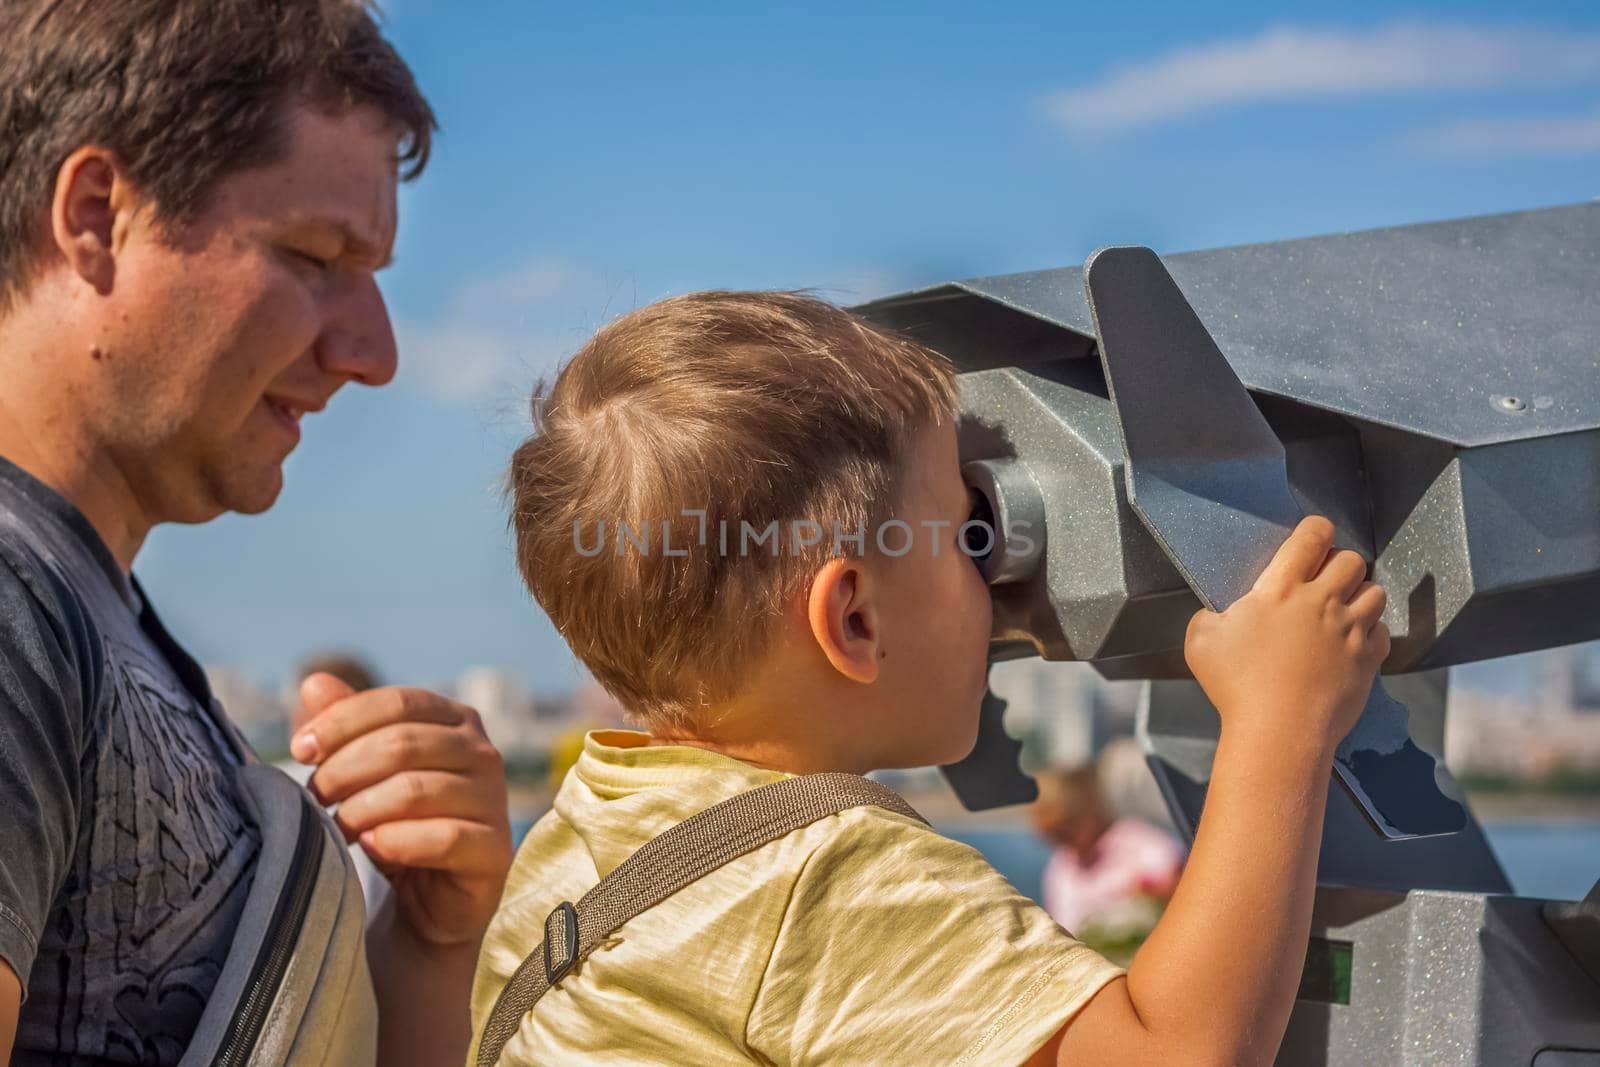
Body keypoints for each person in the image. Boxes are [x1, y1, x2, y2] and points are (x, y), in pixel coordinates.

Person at [470, 291, 1391, 1065]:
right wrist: (1281, 721)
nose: (995, 583)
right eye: (964, 532)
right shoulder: (823, 879)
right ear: (856, 620)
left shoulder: (572, 847)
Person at [0, 3, 512, 1064]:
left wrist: (427, 940)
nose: (374, 351)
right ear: (97, 213)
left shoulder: (98, 619)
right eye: (317, 255)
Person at [1031, 765, 1186, 963]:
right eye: (1052, 837)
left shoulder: (1139, 843)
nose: (1062, 843)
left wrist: (1150, 895)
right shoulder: (1061, 868)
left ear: (1089, 808)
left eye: (1065, 830)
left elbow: (1177, 883)